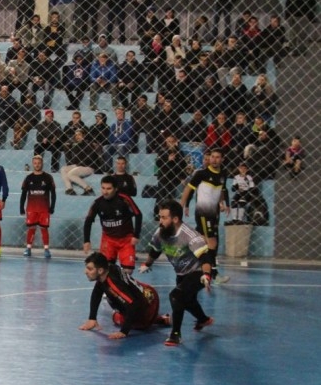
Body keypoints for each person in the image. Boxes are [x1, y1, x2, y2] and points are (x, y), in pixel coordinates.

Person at [138, 199, 215, 346]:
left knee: (176, 296)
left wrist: (206, 275)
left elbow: (206, 258)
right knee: (188, 301)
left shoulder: (189, 235)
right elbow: (155, 249)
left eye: (164, 217)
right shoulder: (160, 232)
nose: (160, 221)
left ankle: (175, 334)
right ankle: (204, 319)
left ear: (175, 219)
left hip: (197, 272)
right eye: (160, 217)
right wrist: (147, 263)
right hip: (181, 274)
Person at [79, 252, 171, 339]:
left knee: (117, 317)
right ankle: (157, 319)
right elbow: (97, 292)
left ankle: (156, 320)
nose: (85, 272)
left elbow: (133, 305)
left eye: (90, 269)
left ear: (100, 270)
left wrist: (124, 331)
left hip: (148, 306)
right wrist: (92, 318)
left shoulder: (113, 284)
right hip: (148, 292)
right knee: (113, 300)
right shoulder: (108, 269)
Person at [180, 148, 230, 282]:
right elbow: (188, 189)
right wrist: (182, 205)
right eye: (212, 157)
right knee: (212, 242)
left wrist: (223, 203)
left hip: (214, 212)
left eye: (217, 157)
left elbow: (221, 190)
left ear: (222, 159)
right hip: (203, 213)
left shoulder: (223, 174)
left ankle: (197, 266)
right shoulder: (201, 174)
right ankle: (214, 272)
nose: (214, 159)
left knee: (202, 241)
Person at [83, 175, 142, 274]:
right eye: (103, 188)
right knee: (104, 269)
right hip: (108, 239)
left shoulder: (124, 199)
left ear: (116, 189)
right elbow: (88, 221)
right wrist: (86, 241)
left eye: (109, 189)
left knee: (128, 271)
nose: (105, 192)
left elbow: (138, 214)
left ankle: (123, 287)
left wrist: (136, 235)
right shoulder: (97, 203)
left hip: (126, 239)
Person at [20, 155, 56, 258]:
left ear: (42, 163)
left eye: (39, 163)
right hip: (31, 208)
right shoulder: (28, 178)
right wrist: (21, 207)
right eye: (35, 163)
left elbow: (53, 194)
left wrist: (52, 206)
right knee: (31, 228)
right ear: (32, 164)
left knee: (44, 228)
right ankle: (28, 248)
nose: (37, 165)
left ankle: (46, 249)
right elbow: (23, 194)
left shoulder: (48, 177)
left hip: (44, 208)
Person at [61, 129, 96, 196]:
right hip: (78, 166)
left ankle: (88, 189)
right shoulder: (75, 145)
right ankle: (69, 189)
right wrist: (67, 149)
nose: (77, 136)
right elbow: (71, 162)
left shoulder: (88, 144)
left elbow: (89, 159)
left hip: (88, 167)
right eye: (76, 135)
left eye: (79, 134)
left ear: (84, 136)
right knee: (63, 169)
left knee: (70, 174)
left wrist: (77, 165)